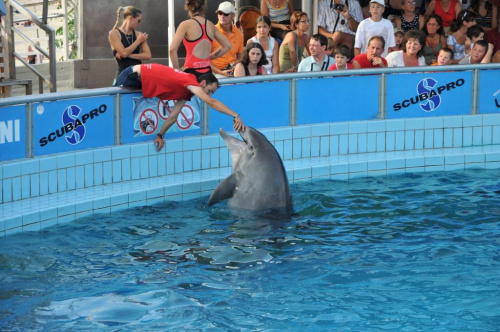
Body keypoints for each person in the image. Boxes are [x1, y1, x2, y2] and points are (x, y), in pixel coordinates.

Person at [115, 64, 245, 151]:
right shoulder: (190, 81)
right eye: (209, 91)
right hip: (132, 75)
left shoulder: (187, 92)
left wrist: (160, 135)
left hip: (139, 79)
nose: (208, 94)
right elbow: (211, 102)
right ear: (203, 83)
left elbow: (173, 116)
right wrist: (235, 115)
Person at [169, 0, 231, 78]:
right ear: (203, 7)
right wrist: (209, 57)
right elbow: (227, 45)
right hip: (207, 71)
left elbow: (172, 50)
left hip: (191, 71)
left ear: (189, 7)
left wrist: (177, 71)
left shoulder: (185, 25)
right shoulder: (211, 25)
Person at [109, 6, 151, 85]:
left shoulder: (139, 34)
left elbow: (148, 55)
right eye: (138, 21)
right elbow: (123, 53)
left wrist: (128, 55)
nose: (139, 24)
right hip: (122, 75)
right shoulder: (114, 33)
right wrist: (138, 41)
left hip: (137, 75)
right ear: (131, 18)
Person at [210, 2, 244, 77]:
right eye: (220, 13)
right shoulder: (211, 32)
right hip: (215, 72)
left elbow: (240, 55)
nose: (222, 16)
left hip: (232, 70)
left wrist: (235, 65)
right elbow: (205, 60)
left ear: (233, 16)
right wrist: (221, 72)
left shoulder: (238, 33)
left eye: (226, 14)